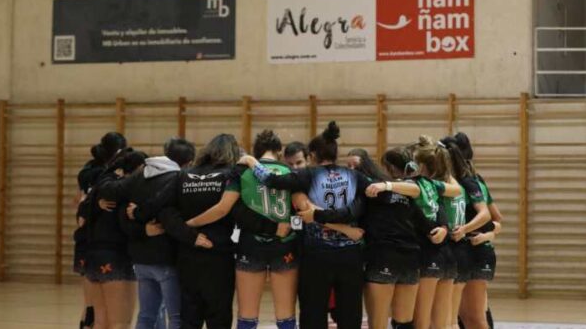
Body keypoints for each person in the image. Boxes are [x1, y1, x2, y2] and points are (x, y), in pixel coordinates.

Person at [130, 134, 287, 329]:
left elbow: (162, 207)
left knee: (189, 318)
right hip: (219, 256)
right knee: (218, 317)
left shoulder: (184, 175)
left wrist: (138, 213)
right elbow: (241, 212)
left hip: (187, 256)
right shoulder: (230, 176)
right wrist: (273, 228)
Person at [240, 122, 368, 329]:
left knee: (313, 313)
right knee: (350, 313)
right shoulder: (354, 175)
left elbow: (270, 180)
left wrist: (251, 161)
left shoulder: (308, 175)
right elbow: (370, 193)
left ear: (313, 155)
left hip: (317, 255)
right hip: (350, 255)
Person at [181, 130, 301, 329]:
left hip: (250, 245)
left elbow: (223, 209)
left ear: (255, 151)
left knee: (247, 315)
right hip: (284, 246)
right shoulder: (290, 172)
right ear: (279, 151)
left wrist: (190, 224)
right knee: (286, 315)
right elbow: (302, 209)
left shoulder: (242, 172)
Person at [96, 137, 196, 329]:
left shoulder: (139, 175)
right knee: (175, 316)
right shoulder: (179, 179)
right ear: (188, 162)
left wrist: (111, 169)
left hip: (140, 259)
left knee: (146, 316)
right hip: (167, 258)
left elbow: (112, 196)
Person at [353, 147, 443, 329]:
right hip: (410, 260)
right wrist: (443, 228)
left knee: (377, 324)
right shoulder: (407, 194)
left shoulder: (371, 191)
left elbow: (352, 216)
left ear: (389, 168)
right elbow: (426, 224)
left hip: (383, 256)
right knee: (404, 323)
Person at [84, 148, 146, 329]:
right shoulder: (127, 191)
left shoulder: (101, 187)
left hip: (94, 256)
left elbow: (82, 215)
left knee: (101, 321)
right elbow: (128, 226)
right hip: (117, 257)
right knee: (120, 322)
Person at [74, 132, 127, 329]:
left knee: (90, 306)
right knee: (106, 313)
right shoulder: (110, 174)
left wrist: (89, 207)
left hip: (85, 239)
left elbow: (77, 202)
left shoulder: (86, 171)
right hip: (103, 241)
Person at [448, 133, 499, 329]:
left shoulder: (469, 182)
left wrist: (474, 231)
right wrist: (490, 233)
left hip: (474, 251)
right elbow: (497, 221)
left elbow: (489, 217)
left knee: (474, 318)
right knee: (469, 318)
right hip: (467, 250)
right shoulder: (459, 182)